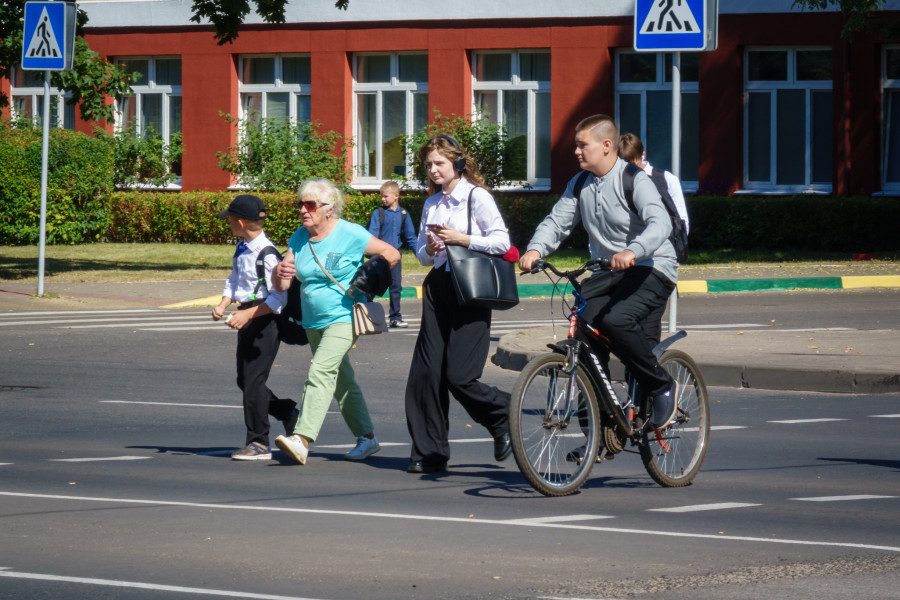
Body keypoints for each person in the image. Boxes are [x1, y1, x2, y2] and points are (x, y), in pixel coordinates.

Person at [518, 115, 679, 430]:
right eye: (575, 145)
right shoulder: (580, 183)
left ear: (607, 146)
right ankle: (604, 413)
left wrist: (633, 250)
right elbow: (557, 221)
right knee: (582, 322)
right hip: (609, 269)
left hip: (651, 266)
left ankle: (661, 385)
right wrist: (536, 249)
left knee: (614, 320)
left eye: (582, 145)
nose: (576, 151)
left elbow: (661, 223)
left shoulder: (634, 179)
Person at [403, 134, 513, 474]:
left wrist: (460, 239)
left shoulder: (476, 197)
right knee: (425, 374)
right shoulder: (431, 203)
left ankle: (503, 416)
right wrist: (432, 250)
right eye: (429, 165)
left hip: (471, 288)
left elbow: (502, 242)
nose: (433, 170)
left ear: (458, 164)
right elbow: (421, 254)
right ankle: (430, 452)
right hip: (439, 288)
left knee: (460, 376)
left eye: (439, 163)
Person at [271, 179, 400, 465]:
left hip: (344, 317)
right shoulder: (299, 237)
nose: (303, 210)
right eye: (300, 204)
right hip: (312, 320)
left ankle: (302, 438)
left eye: (310, 204)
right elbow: (282, 283)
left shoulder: (350, 233)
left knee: (320, 371)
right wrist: (280, 272)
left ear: (329, 209)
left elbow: (391, 254)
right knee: (341, 380)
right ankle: (367, 438)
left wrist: (368, 277)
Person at [212, 194, 298, 461]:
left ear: (239, 221)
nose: (228, 224)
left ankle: (259, 442)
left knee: (253, 381)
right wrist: (224, 303)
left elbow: (278, 299)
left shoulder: (268, 253)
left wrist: (248, 314)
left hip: (265, 320)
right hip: (247, 315)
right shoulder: (242, 248)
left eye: (230, 220)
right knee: (245, 380)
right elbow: (235, 277)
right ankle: (287, 412)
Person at [617, 132, 690, 346]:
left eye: (634, 161)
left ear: (643, 155)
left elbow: (681, 220)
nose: (631, 167)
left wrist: (675, 253)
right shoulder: (620, 179)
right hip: (628, 258)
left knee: (648, 322)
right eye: (625, 163)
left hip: (657, 259)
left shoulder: (664, 179)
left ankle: (649, 371)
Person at [367, 181, 418, 328]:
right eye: (381, 196)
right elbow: (373, 235)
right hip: (380, 256)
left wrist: (419, 255)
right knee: (373, 285)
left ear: (396, 196)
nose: (383, 199)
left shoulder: (403, 214)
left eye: (385, 196)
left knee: (395, 287)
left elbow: (411, 237)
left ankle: (395, 317)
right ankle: (365, 314)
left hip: (396, 256)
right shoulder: (379, 213)